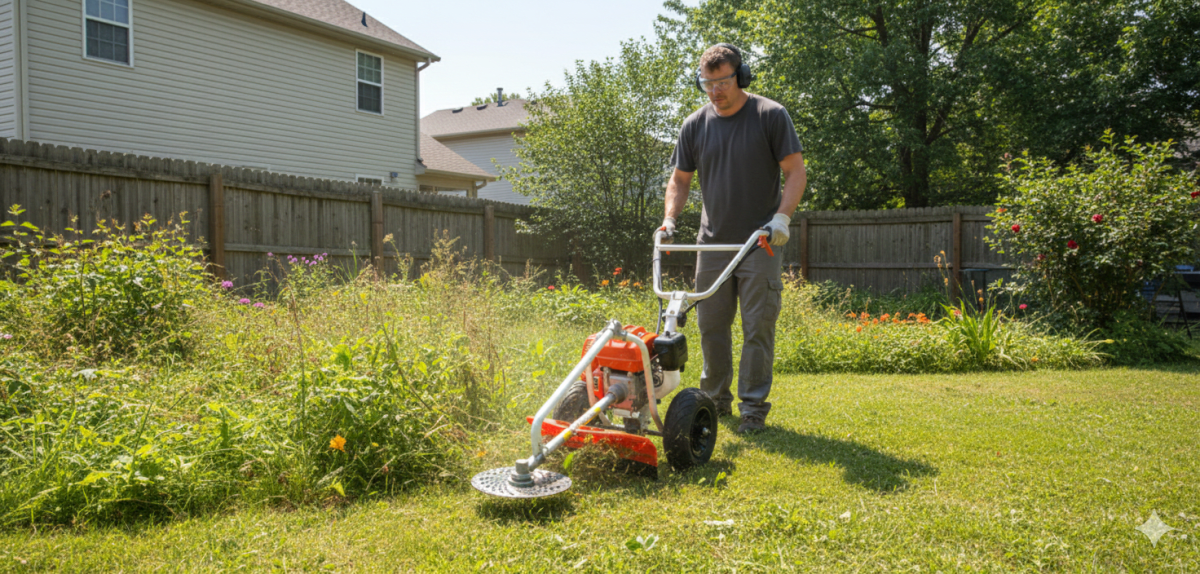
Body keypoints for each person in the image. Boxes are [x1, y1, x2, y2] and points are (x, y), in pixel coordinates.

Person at [661, 43, 806, 434]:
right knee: (711, 326)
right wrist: (670, 220)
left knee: (758, 325)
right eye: (707, 83)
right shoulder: (695, 124)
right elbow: (680, 179)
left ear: (741, 77)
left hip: (760, 239)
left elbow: (795, 171)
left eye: (723, 81)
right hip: (712, 243)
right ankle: (714, 401)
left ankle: (753, 408)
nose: (715, 91)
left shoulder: (770, 115)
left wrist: (782, 219)